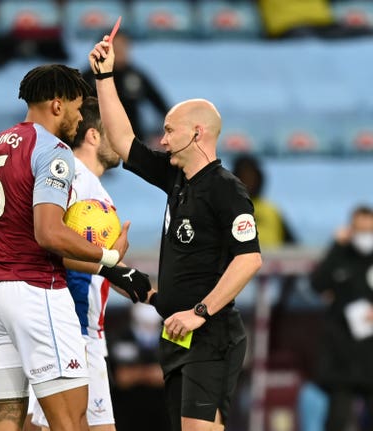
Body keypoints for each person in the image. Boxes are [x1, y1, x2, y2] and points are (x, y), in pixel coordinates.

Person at [89, 38, 263, 431]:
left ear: (197, 133)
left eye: (169, 131)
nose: (162, 139)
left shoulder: (225, 188)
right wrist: (104, 77)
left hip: (210, 334)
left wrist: (200, 313)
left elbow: (250, 258)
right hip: (177, 333)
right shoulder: (177, 178)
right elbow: (122, 142)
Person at [0, 64, 132, 431]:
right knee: (70, 421)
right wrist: (108, 257)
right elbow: (49, 234)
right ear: (57, 105)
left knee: (5, 420)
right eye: (74, 107)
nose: (76, 117)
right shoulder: (53, 151)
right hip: (36, 292)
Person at [30, 97, 152, 431]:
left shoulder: (92, 188)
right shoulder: (71, 176)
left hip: (83, 328)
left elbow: (100, 265)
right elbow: (53, 246)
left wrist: (144, 289)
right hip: (70, 324)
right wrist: (112, 264)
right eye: (114, 132)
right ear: (94, 136)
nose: (124, 141)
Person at [309, 205, 373, 431]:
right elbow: (317, 283)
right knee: (337, 419)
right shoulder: (341, 255)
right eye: (360, 230)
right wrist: (336, 245)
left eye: (369, 230)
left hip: (370, 357)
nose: (365, 236)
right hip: (342, 356)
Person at [82, 32, 170, 144]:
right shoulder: (89, 77)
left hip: (132, 142)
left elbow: (160, 104)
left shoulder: (136, 76)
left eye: (124, 46)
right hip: (97, 142)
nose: (120, 51)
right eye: (116, 47)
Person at [107, 303, 171, 431]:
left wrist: (136, 373)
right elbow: (121, 378)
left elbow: (171, 377)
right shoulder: (119, 336)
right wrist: (152, 373)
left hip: (163, 416)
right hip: (127, 415)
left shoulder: (171, 338)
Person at [231, 155, 296, 249]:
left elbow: (295, 250)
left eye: (251, 176)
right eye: (243, 176)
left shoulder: (272, 211)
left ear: (259, 178)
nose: (248, 181)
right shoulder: (225, 210)